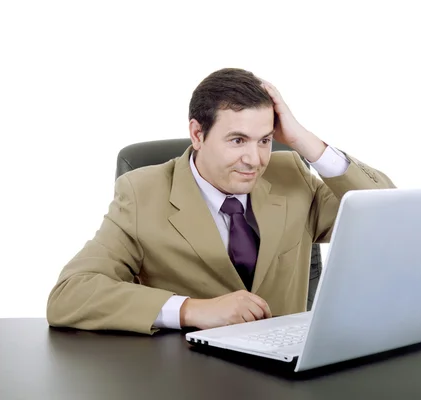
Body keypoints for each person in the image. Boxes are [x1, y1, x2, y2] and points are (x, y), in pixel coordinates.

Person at [46, 68, 396, 334]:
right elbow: (70, 294)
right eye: (238, 140)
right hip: (187, 374)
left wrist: (304, 141)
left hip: (287, 370)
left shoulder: (290, 173)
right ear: (197, 134)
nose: (254, 160)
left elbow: (387, 216)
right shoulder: (141, 193)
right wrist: (191, 310)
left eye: (264, 141)